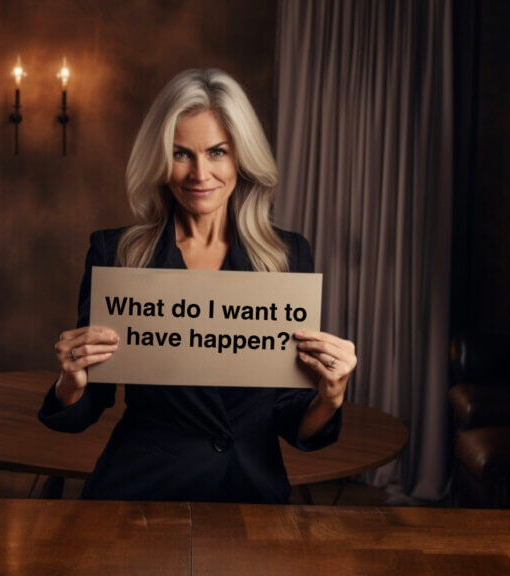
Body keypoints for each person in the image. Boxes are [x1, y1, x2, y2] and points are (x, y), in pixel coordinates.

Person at [39, 69, 356, 503]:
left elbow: (291, 416)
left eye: (217, 152)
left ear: (241, 156)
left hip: (250, 492)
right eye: (181, 154)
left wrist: (330, 396)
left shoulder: (287, 257)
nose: (199, 173)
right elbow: (85, 407)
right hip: (140, 487)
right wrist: (70, 382)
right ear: (158, 159)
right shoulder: (116, 252)